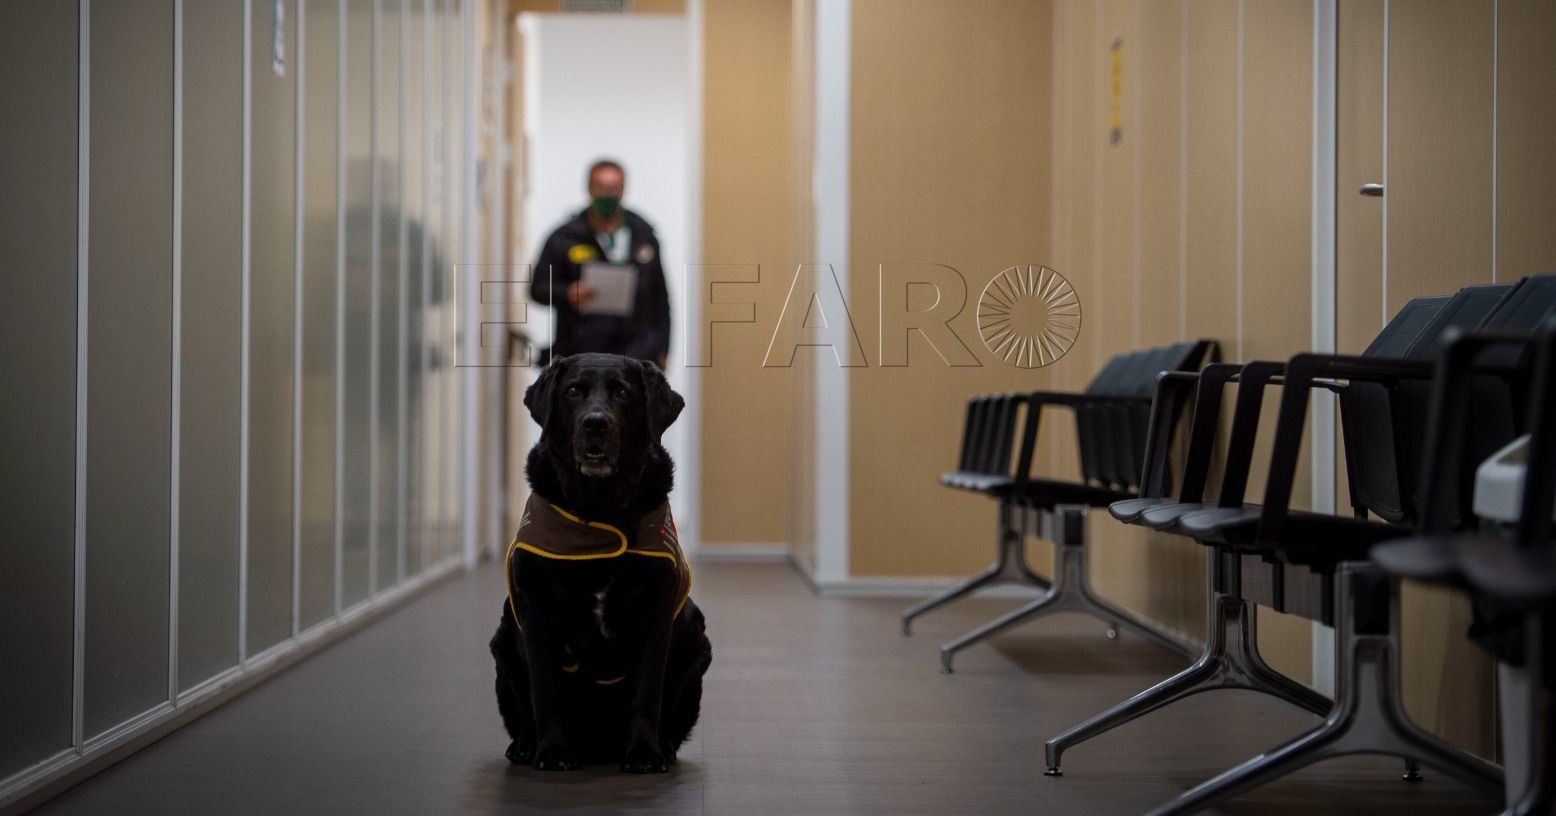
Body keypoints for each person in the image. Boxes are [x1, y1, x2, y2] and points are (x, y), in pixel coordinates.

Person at [530, 159, 670, 368]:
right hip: (581, 352)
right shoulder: (565, 237)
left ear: (623, 189)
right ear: (589, 188)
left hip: (635, 354)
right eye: (601, 187)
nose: (607, 194)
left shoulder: (644, 236)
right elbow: (538, 288)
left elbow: (660, 298)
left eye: (613, 188)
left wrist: (662, 349)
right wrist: (567, 293)